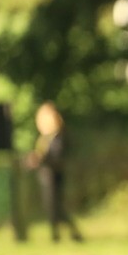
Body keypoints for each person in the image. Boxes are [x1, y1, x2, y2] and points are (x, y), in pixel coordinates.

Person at [27, 102, 83, 243]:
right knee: (50, 207)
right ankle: (59, 234)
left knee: (56, 207)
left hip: (54, 176)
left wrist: (40, 160)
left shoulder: (58, 137)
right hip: (45, 176)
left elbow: (56, 157)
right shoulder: (44, 138)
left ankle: (66, 234)